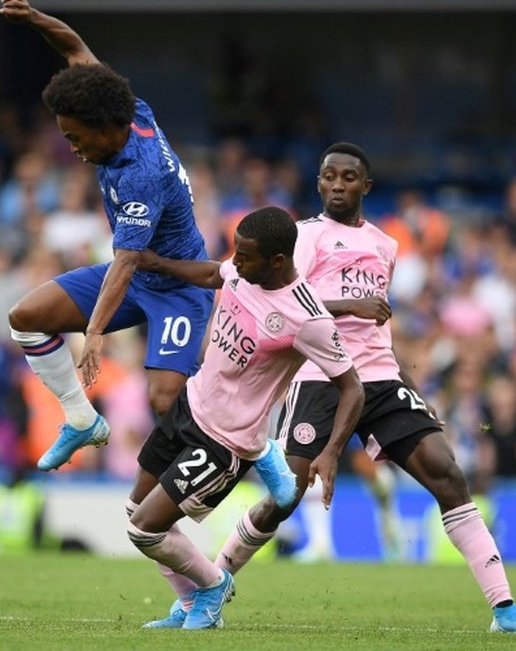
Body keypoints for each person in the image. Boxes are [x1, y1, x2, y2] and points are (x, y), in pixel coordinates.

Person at [208, 142, 516, 635]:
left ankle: (505, 609)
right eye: (328, 176)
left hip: (379, 378)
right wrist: (352, 307)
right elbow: (280, 306)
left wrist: (409, 384)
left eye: (348, 177)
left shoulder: (385, 246)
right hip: (318, 377)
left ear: (365, 186)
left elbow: (378, 330)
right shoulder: (304, 237)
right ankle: (212, 583)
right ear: (319, 182)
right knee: (286, 495)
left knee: (448, 474)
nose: (336, 185)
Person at [1, 0, 215, 471]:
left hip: (179, 287)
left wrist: (94, 332)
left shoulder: (141, 174)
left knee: (162, 401)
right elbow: (75, 48)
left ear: (104, 127)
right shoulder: (128, 110)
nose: (72, 148)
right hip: (139, 278)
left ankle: (255, 450)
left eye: (77, 137)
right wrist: (34, 17)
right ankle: (81, 419)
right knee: (26, 317)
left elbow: (125, 260)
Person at [130, 207, 365, 629]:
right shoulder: (243, 271)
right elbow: (212, 275)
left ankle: (214, 584)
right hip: (190, 405)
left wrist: (330, 451)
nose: (235, 262)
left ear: (277, 261)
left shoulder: (307, 319)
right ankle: (190, 605)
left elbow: (352, 387)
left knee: (145, 530)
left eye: (245, 256)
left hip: (224, 442)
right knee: (136, 511)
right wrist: (159, 263)